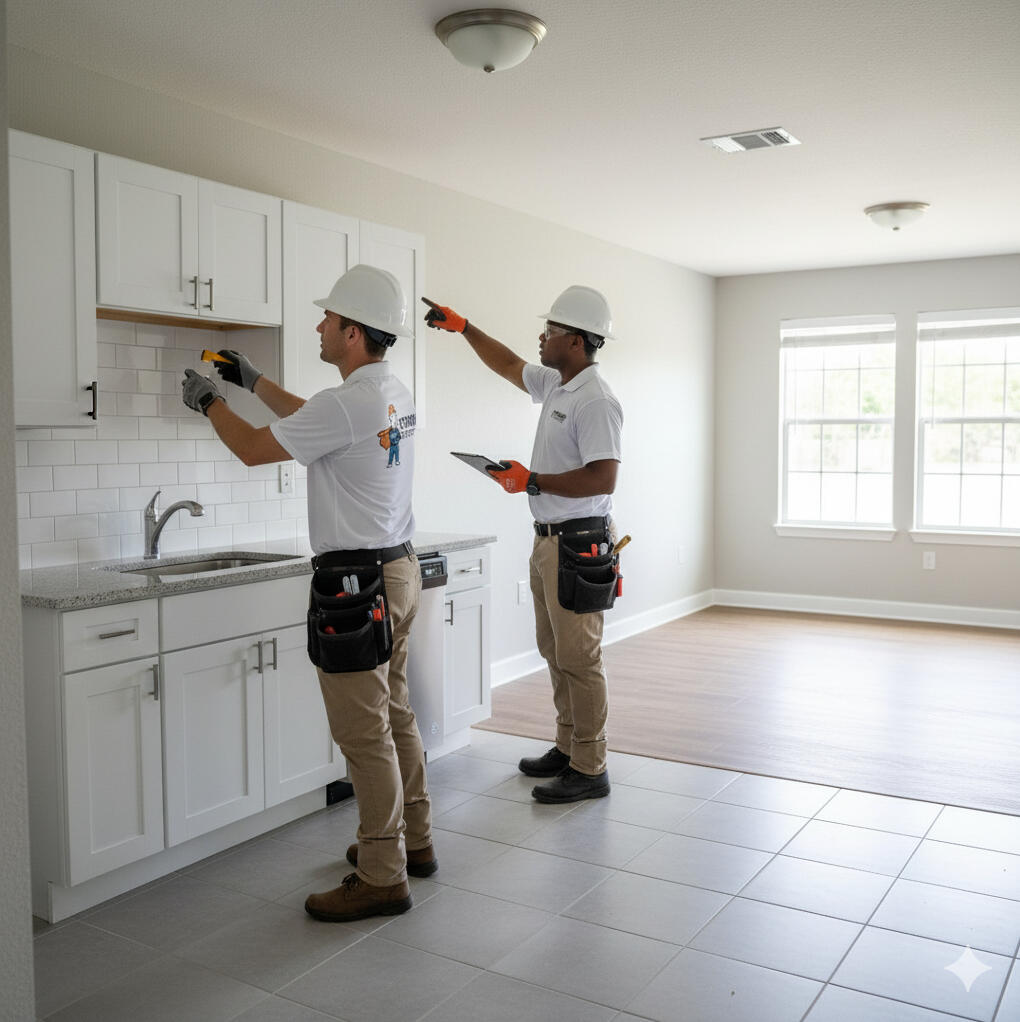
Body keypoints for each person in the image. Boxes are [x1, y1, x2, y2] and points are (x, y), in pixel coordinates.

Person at [180, 264, 435, 923]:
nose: (319, 325)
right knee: (395, 714)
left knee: (364, 734)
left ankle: (382, 874)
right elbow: (318, 422)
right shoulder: (387, 391)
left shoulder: (345, 401)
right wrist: (254, 380)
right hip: (398, 570)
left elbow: (255, 449)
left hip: (355, 583)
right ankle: (415, 840)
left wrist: (211, 401)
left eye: (328, 318)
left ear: (353, 332)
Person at [424, 286, 623, 803]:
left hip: (579, 544)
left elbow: (604, 478)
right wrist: (463, 327)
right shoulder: (559, 383)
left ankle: (591, 764)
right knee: (555, 650)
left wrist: (533, 480)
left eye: (552, 331)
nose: (542, 337)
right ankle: (568, 747)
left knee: (580, 657)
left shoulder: (596, 400)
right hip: (549, 541)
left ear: (577, 341)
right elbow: (510, 364)